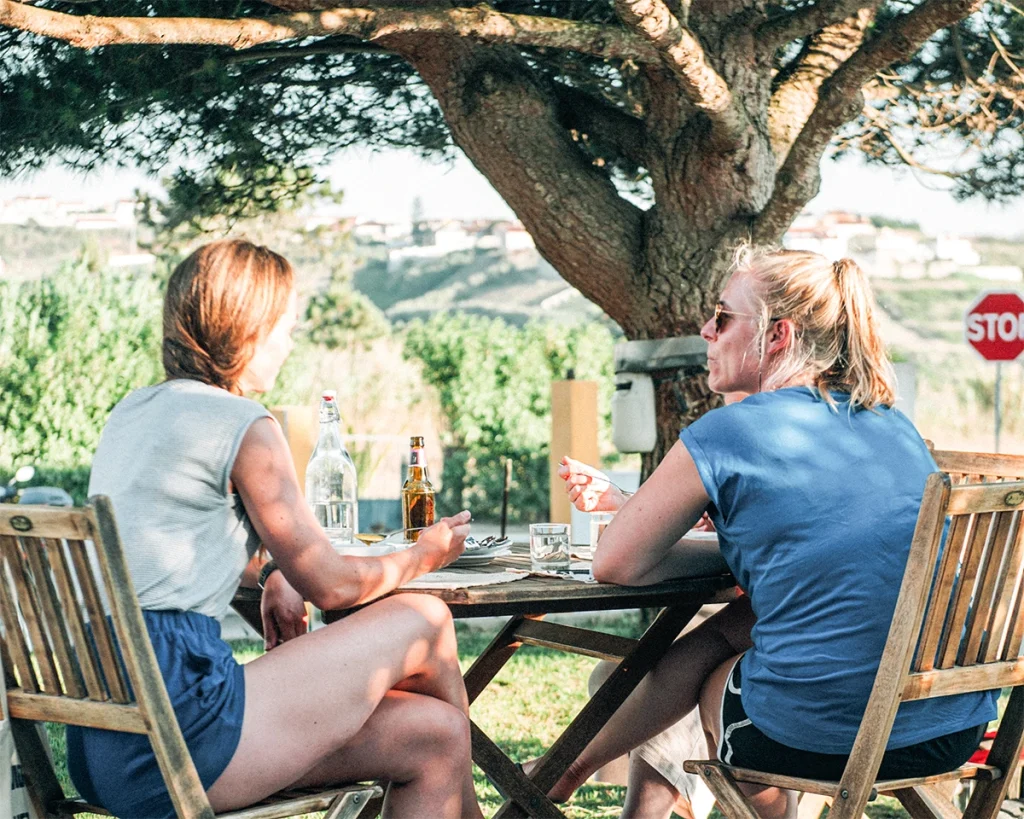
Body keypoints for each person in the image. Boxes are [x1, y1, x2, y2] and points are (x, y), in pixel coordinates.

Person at [537, 245, 997, 819]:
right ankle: (566, 768)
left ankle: (563, 772)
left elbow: (615, 565)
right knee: (737, 626)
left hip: (824, 735)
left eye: (723, 316)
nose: (706, 330)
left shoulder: (728, 432)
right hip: (951, 726)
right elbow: (822, 554)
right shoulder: (891, 424)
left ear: (777, 334)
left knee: (719, 680)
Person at [65, 239, 484, 819]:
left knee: (434, 734)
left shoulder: (134, 411)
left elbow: (183, 543)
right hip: (181, 725)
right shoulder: (241, 422)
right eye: (284, 325)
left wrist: (272, 571)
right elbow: (333, 587)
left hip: (103, 733)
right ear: (246, 328)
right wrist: (425, 554)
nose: (290, 341)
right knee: (427, 617)